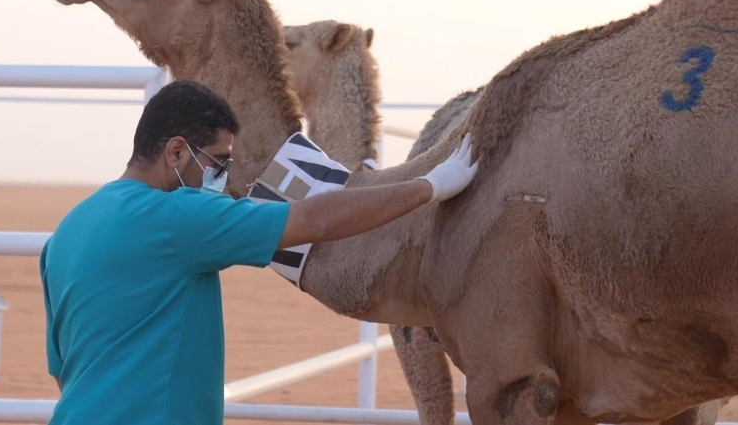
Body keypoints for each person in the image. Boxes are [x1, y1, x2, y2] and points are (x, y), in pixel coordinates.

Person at [39, 80, 479, 425]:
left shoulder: (67, 231)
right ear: (176, 151)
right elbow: (314, 221)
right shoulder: (179, 216)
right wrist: (429, 186)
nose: (222, 175)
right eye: (218, 161)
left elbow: (63, 370)